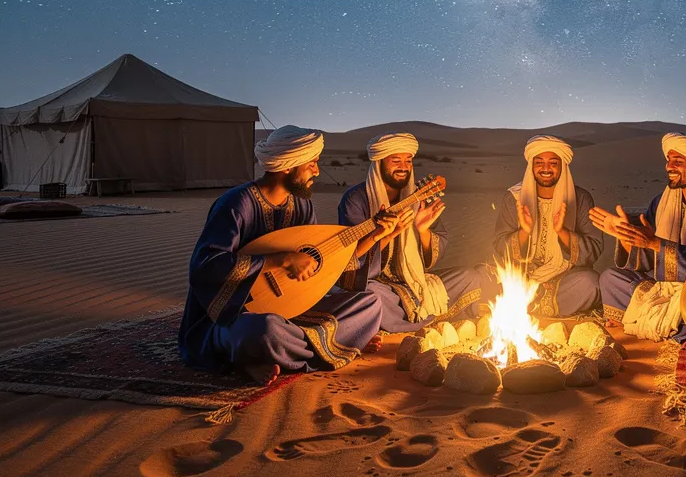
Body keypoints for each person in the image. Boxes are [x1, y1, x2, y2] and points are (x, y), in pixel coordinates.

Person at [177, 126, 382, 386]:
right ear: (288, 166)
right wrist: (279, 259)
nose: (317, 171)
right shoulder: (237, 204)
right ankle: (331, 344)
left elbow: (322, 264)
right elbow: (205, 266)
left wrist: (376, 235)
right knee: (263, 331)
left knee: (371, 303)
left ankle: (287, 351)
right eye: (312, 164)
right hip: (237, 312)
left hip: (292, 307)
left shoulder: (302, 204)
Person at [590, 131, 686, 340]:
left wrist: (655, 244)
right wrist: (628, 239)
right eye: (669, 160)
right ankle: (659, 323)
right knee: (610, 278)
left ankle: (645, 320)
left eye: (678, 161)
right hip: (664, 288)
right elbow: (647, 262)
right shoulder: (661, 202)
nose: (669, 166)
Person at [337, 132, 494, 332]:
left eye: (408, 160)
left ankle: (409, 320)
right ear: (379, 163)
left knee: (471, 276)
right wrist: (385, 235)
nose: (403, 167)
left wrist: (423, 231)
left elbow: (431, 259)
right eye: (396, 160)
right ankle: (424, 322)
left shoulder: (418, 197)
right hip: (378, 284)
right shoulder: (355, 199)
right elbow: (351, 259)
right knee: (370, 296)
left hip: (413, 281)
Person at [491, 135, 603, 318]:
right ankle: (533, 306)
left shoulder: (580, 198)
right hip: (521, 276)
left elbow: (594, 249)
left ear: (562, 166)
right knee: (482, 279)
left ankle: (529, 307)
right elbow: (499, 246)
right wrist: (524, 233)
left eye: (553, 163)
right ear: (531, 166)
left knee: (591, 283)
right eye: (539, 162)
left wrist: (563, 232)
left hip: (563, 278)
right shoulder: (514, 198)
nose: (545, 169)